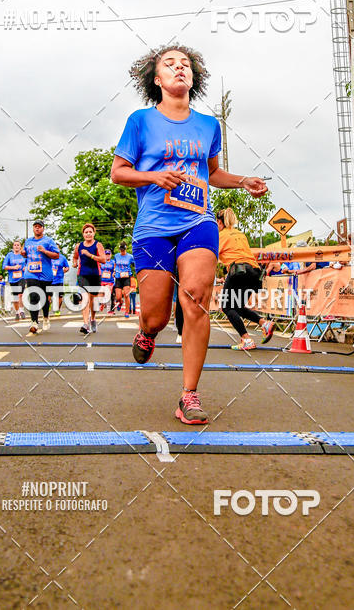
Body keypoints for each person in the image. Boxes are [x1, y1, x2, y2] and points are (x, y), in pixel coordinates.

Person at [111, 44, 268, 425]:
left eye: (185, 65)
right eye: (170, 64)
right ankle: (146, 331)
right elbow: (118, 172)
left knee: (196, 298)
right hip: (153, 229)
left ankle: (189, 395)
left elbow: (211, 173)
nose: (179, 68)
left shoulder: (208, 125)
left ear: (193, 77)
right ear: (157, 78)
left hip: (198, 221)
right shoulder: (140, 121)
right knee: (158, 315)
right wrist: (153, 176)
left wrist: (242, 180)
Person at [216, 208, 275, 350]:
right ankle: (264, 323)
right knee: (238, 307)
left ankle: (246, 339)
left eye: (216, 223)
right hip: (254, 272)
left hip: (238, 270)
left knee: (227, 307)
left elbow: (212, 255)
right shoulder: (241, 234)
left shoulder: (221, 235)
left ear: (219, 222)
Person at [22, 219, 61, 335]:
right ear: (33, 228)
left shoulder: (48, 241)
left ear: (43, 229)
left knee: (44, 298)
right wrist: (23, 254)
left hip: (45, 274)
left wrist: (44, 251)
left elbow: (56, 255)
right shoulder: (28, 241)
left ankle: (45, 318)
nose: (37, 228)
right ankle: (34, 322)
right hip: (31, 272)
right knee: (33, 295)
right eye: (35, 226)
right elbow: (25, 254)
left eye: (39, 226)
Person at [72, 223, 105, 335]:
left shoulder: (97, 245)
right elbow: (75, 256)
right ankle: (85, 324)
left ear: (94, 233)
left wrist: (89, 255)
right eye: (86, 232)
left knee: (93, 301)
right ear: (83, 234)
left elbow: (103, 259)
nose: (88, 234)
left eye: (90, 232)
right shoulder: (78, 246)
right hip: (82, 274)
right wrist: (75, 262)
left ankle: (93, 319)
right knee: (84, 298)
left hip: (95, 274)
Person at [2, 240, 27, 319]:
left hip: (22, 277)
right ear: (13, 247)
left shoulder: (23, 256)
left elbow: (28, 264)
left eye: (18, 245)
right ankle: (17, 312)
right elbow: (4, 266)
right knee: (15, 297)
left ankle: (22, 310)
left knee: (20, 294)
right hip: (12, 279)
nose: (16, 246)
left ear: (20, 247)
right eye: (15, 245)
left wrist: (25, 268)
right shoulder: (9, 255)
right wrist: (13, 267)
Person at [113, 241, 134, 315]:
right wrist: (114, 272)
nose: (122, 251)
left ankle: (127, 311)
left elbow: (135, 264)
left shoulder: (130, 257)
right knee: (118, 297)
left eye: (123, 250)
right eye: (121, 250)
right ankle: (120, 302)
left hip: (126, 277)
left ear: (126, 249)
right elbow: (115, 264)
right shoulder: (116, 256)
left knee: (126, 294)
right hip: (118, 277)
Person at [51, 249, 70, 315]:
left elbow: (67, 267)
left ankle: (57, 310)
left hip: (59, 279)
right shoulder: (48, 257)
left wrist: (65, 270)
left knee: (59, 296)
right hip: (49, 279)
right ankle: (48, 306)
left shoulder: (62, 258)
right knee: (48, 295)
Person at [100, 249, 116, 314]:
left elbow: (116, 269)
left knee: (108, 294)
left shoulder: (113, 262)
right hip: (102, 281)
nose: (107, 256)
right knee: (101, 294)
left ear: (110, 255)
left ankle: (109, 310)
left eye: (108, 254)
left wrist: (114, 272)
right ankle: (102, 303)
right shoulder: (101, 262)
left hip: (110, 281)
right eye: (106, 254)